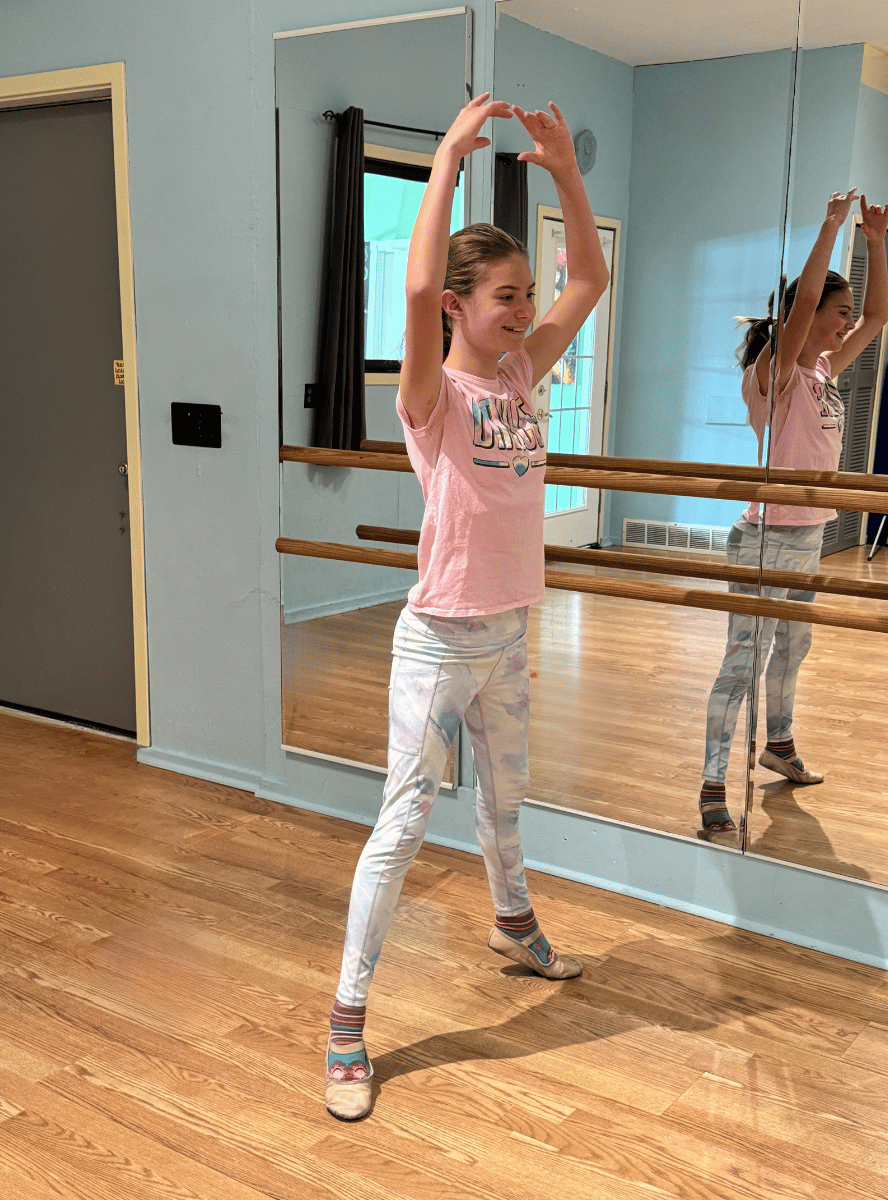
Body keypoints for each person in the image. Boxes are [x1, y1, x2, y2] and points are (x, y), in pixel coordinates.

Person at [325, 93, 610, 1120]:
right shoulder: (432, 400)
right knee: (403, 826)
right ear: (455, 307)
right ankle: (349, 1023)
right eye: (501, 295)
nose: (525, 309)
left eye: (524, 293)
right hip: (440, 640)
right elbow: (411, 282)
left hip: (511, 631)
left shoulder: (524, 376)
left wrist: (564, 173)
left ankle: (513, 921)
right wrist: (443, 160)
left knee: (504, 805)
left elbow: (590, 277)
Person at [699, 189, 888, 842]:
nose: (843, 324)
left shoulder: (824, 371)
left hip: (808, 534)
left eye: (843, 317)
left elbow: (879, 317)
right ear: (801, 319)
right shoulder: (774, 370)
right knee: (742, 664)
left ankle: (778, 746)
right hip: (764, 536)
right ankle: (710, 784)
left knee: (794, 649)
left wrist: (872, 243)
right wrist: (831, 227)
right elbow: (804, 303)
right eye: (837, 315)